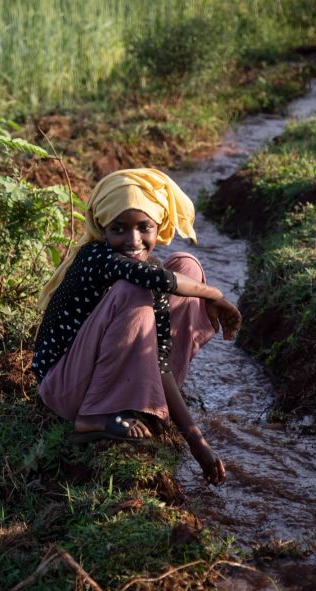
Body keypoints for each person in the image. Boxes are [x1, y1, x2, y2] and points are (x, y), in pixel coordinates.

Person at [32, 168, 241, 485]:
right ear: (103, 229)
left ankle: (146, 402)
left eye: (144, 227)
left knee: (188, 266)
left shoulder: (144, 271)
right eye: (119, 229)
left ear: (159, 227)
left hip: (98, 369)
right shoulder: (97, 256)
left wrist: (199, 446)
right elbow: (154, 279)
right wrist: (215, 295)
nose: (132, 240)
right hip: (64, 386)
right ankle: (93, 418)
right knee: (139, 287)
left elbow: (159, 360)